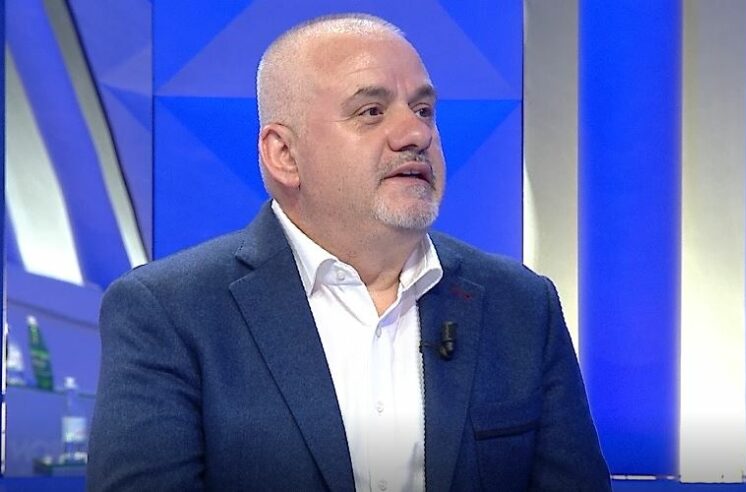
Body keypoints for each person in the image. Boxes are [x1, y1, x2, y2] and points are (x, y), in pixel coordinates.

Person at [87, 13, 609, 492]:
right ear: (284, 155)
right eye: (371, 111)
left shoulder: (521, 305)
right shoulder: (169, 312)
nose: (415, 133)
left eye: (424, 110)